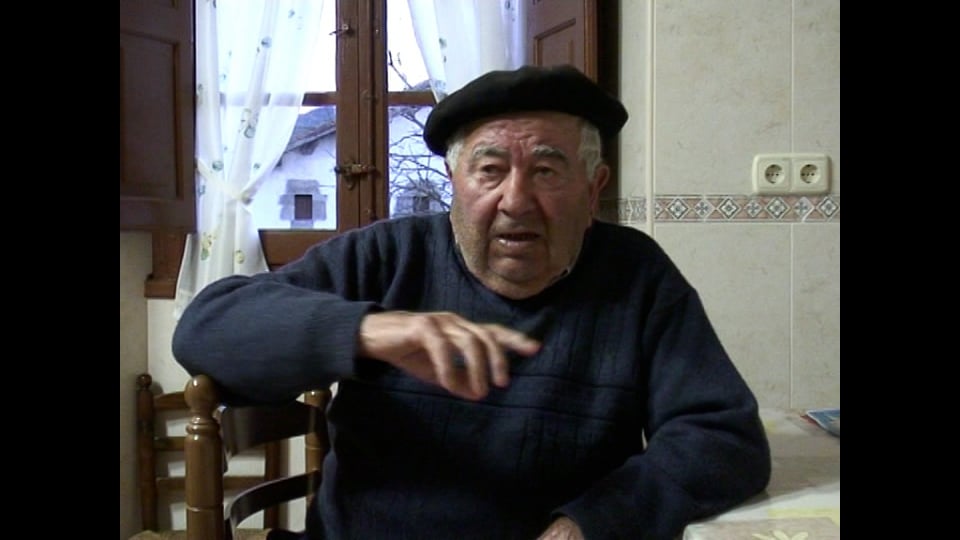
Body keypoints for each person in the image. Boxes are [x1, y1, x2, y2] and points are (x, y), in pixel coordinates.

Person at [173, 64, 771, 540]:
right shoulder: (387, 257)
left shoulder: (635, 276)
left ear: (594, 191)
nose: (516, 200)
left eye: (547, 171)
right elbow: (205, 327)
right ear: (454, 184)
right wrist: (371, 331)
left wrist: (595, 521)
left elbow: (723, 437)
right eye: (490, 170)